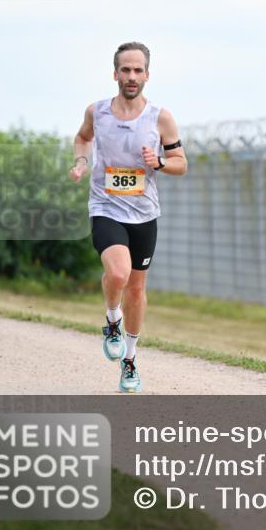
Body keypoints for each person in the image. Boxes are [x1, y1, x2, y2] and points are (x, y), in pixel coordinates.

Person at [69, 41, 187, 392]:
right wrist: (80, 161)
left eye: (138, 70)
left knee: (136, 288)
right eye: (126, 70)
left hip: (144, 214)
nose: (131, 76)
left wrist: (160, 163)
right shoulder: (98, 112)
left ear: (147, 75)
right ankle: (111, 320)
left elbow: (181, 164)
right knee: (117, 273)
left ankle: (131, 360)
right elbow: (82, 137)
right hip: (105, 207)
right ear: (115, 73)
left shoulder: (160, 117)